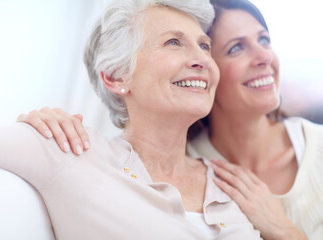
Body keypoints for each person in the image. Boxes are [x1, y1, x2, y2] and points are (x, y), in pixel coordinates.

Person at [19, 0, 323, 239]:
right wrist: (39, 122)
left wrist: (284, 231)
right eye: (236, 48)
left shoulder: (317, 149)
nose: (265, 57)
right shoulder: (181, 169)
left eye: (265, 40)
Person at [0, 0, 262, 239]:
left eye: (204, 46)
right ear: (116, 76)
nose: (203, 60)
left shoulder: (234, 183)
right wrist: (29, 122)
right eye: (174, 42)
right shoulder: (69, 148)